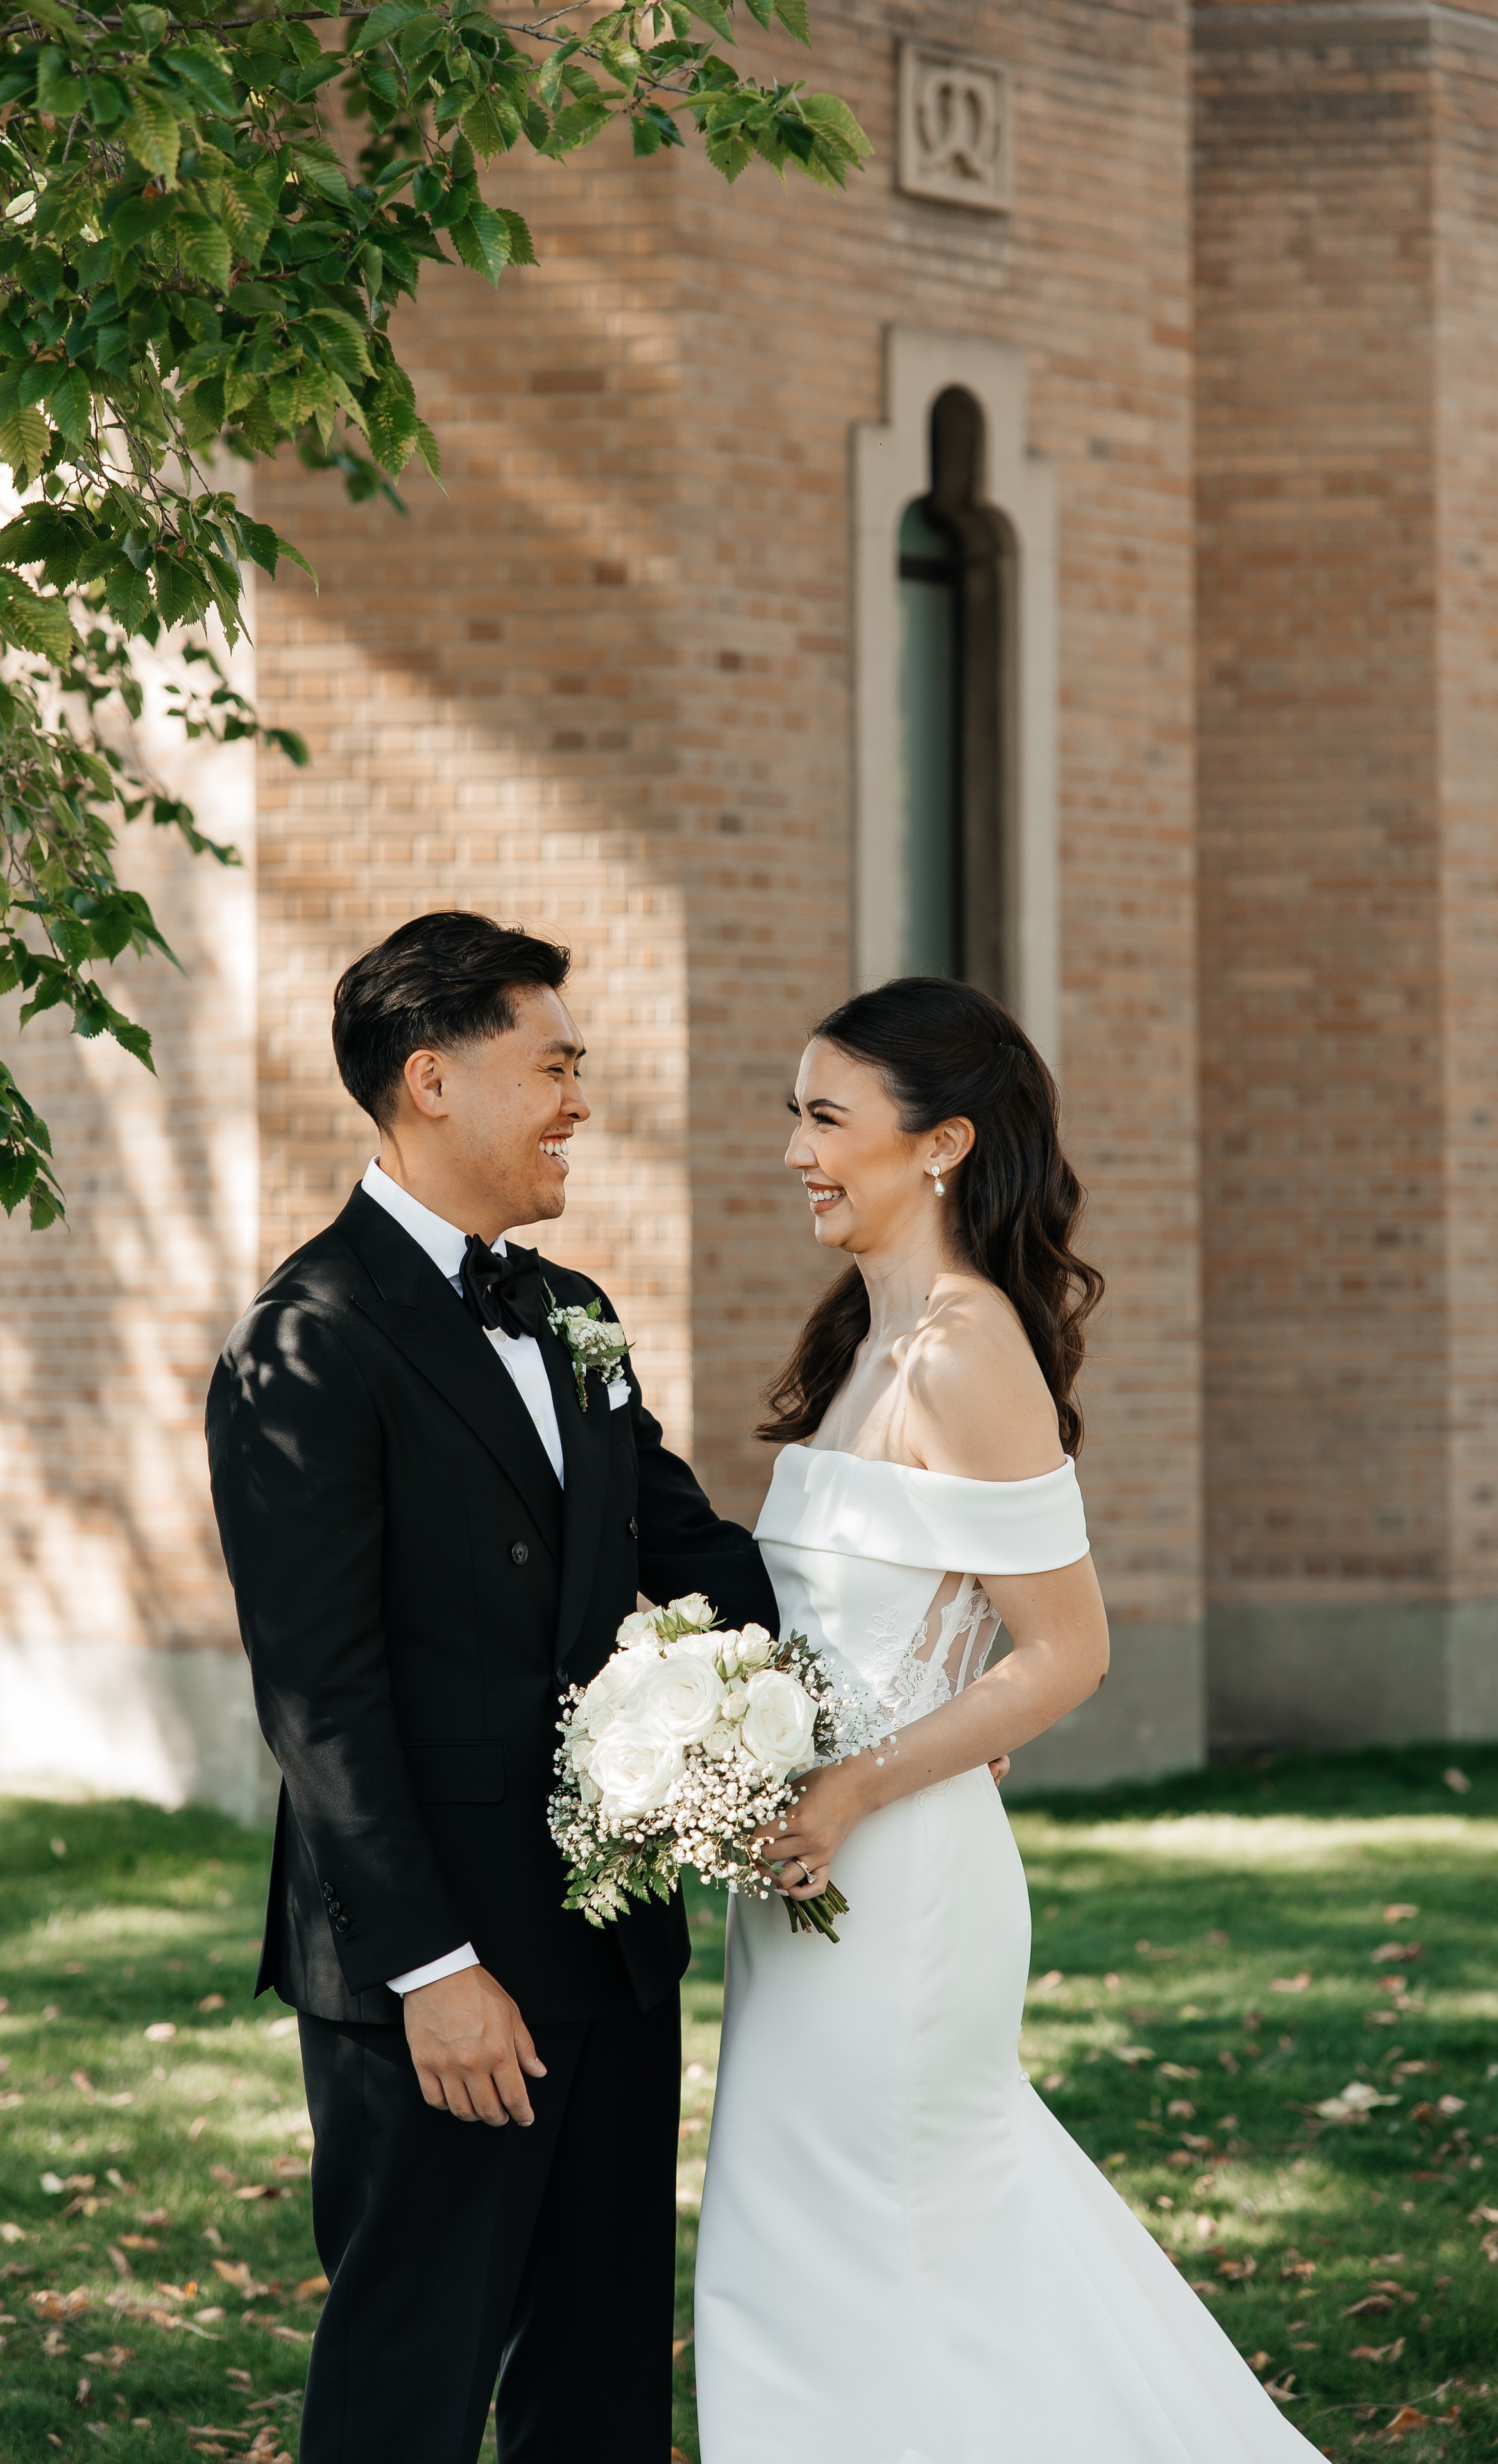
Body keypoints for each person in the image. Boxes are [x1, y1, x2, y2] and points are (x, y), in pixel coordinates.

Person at [694, 975, 1323, 2463]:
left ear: (941, 1144)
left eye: (826, 1116)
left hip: (897, 1886)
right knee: (821, 2245)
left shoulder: (966, 1350)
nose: (794, 1146)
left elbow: (1066, 1651)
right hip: (817, 1874)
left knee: (890, 2242)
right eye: (793, 1112)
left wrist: (847, 1789)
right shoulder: (867, 1336)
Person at [206, 912, 778, 2464]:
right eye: (554, 1066)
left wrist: (896, 1700)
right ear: (431, 1081)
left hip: (607, 1941)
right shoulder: (306, 1340)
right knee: (412, 2370)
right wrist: (433, 1971)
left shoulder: (571, 1309)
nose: (578, 1102)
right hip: (437, 1974)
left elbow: (695, 1551)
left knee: (598, 2381)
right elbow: (318, 1698)